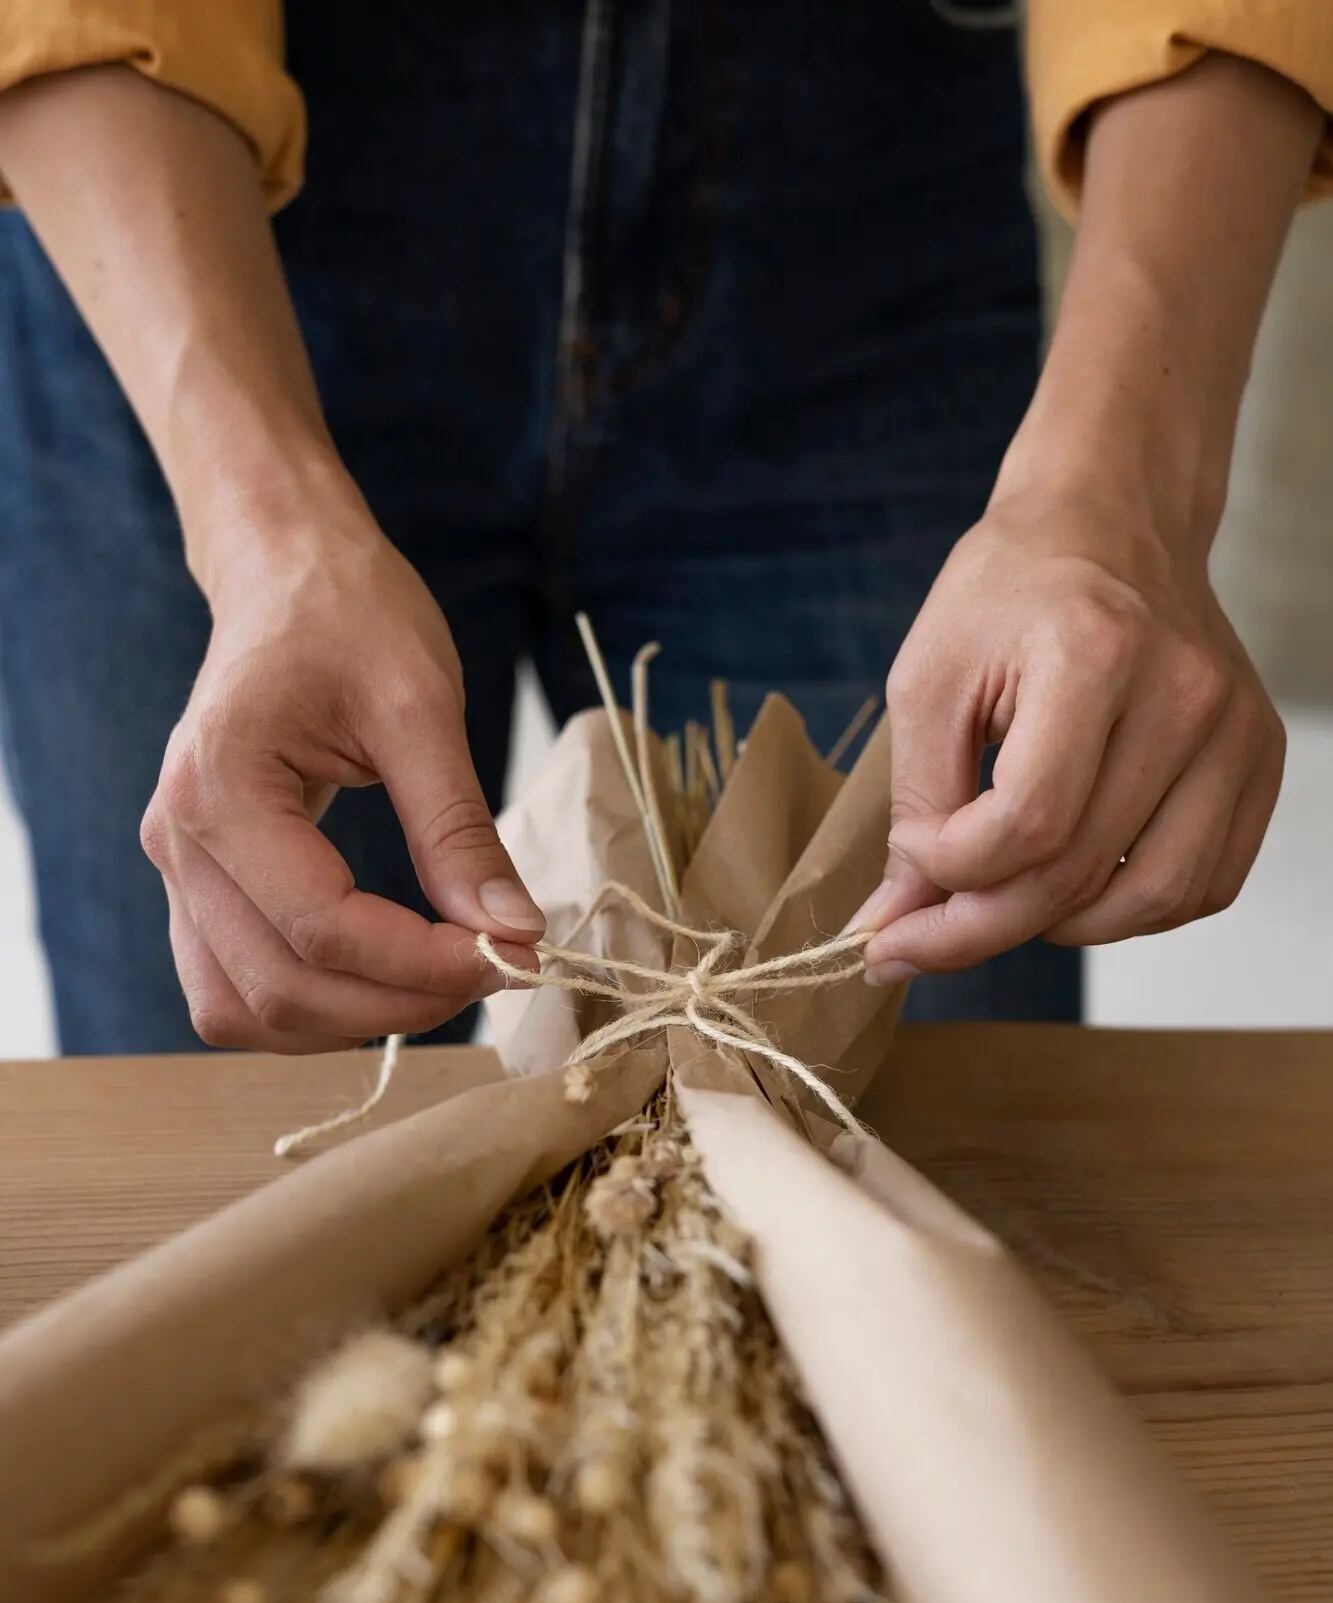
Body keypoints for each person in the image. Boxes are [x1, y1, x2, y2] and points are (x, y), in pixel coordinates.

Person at [0, 4, 1328, 1057]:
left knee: (922, 1136)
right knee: (240, 1137)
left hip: (862, 213)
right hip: (193, 196)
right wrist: (258, 529)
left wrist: (1124, 497)